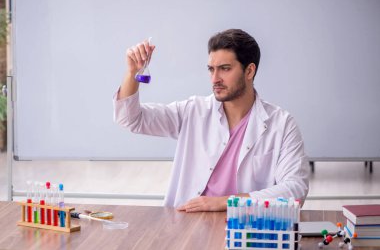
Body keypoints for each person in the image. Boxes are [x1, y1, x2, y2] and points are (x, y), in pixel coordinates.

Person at [113, 29, 309, 212]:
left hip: (243, 226)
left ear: (249, 71)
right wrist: (132, 73)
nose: (215, 79)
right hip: (185, 224)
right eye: (211, 69)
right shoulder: (193, 111)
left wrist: (227, 201)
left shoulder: (281, 125)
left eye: (224, 69)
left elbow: (296, 189)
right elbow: (131, 119)